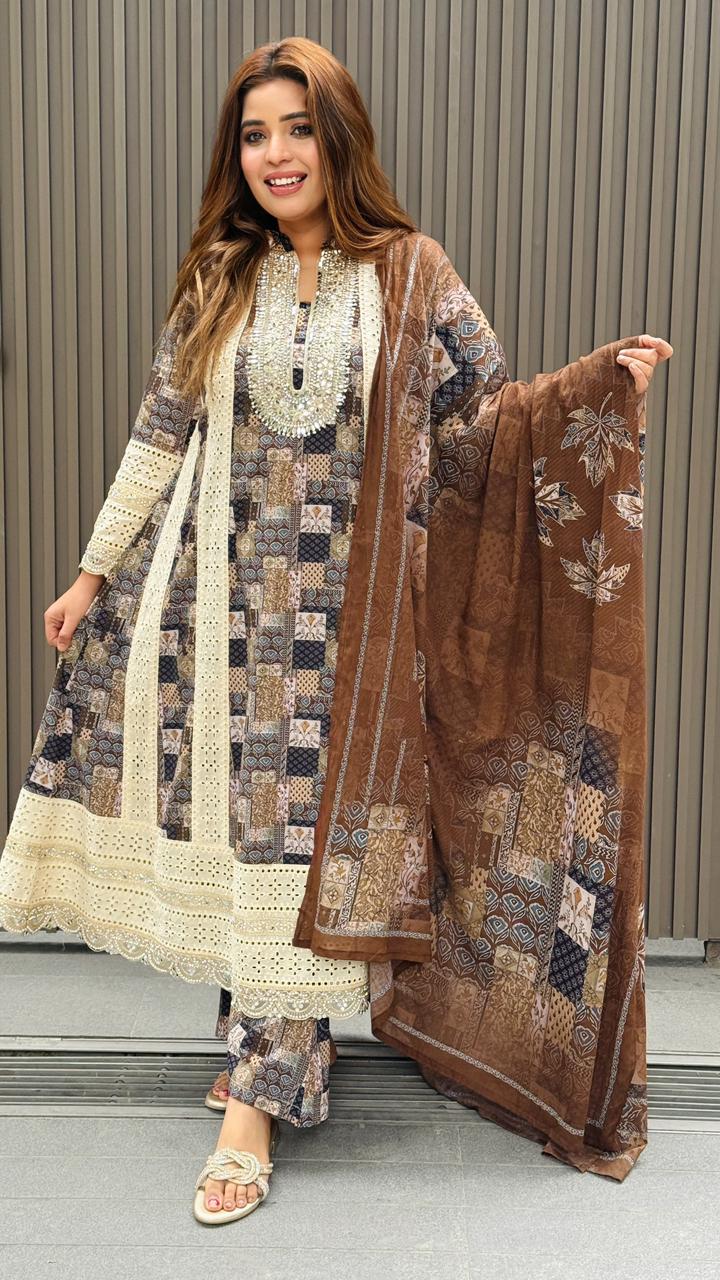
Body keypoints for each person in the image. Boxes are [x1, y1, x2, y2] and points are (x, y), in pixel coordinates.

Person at [0, 35, 672, 1223]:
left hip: (350, 632)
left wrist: (595, 389)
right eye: (255, 134)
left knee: (298, 844)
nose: (276, 154)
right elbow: (160, 433)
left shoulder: (411, 272)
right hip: (220, 613)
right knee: (249, 837)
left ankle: (258, 1100)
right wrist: (94, 572)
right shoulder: (222, 277)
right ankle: (277, 1047)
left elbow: (488, 425)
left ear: (339, 138)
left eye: (298, 128)